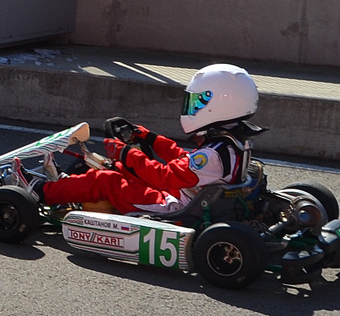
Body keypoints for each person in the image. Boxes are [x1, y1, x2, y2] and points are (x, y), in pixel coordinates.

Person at [28, 63, 260, 215]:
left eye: (198, 102)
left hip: (175, 207)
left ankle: (41, 191)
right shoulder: (229, 143)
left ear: (218, 106)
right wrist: (152, 139)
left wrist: (126, 153)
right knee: (118, 169)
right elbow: (184, 161)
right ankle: (67, 185)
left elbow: (164, 176)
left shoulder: (212, 154)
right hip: (189, 195)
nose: (192, 107)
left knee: (107, 180)